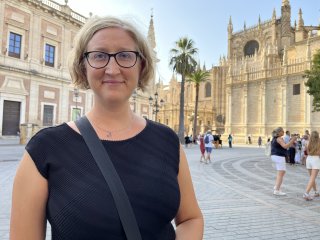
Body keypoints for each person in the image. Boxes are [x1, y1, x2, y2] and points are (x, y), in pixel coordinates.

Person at [10, 16, 203, 240]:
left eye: (125, 55)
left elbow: (191, 218)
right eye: (99, 55)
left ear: (142, 65)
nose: (112, 69)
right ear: (83, 66)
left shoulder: (167, 141)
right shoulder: (44, 150)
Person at [270, 127, 297, 196]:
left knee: (281, 172)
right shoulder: (279, 138)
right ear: (279, 132)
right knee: (280, 174)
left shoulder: (274, 138)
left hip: (275, 156)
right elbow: (285, 146)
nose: (283, 132)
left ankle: (276, 186)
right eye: (282, 131)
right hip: (279, 156)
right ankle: (277, 190)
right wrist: (292, 141)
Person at [303, 131, 320, 201]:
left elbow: (306, 152)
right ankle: (306, 193)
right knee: (312, 178)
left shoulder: (307, 143)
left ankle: (316, 191)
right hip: (315, 159)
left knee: (312, 177)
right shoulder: (319, 143)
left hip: (309, 159)